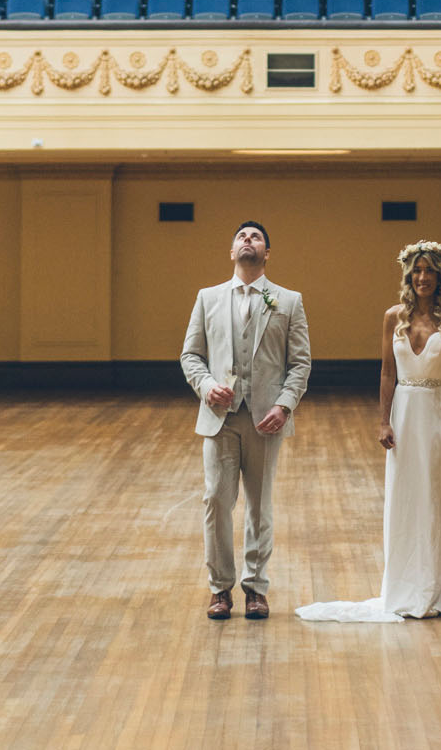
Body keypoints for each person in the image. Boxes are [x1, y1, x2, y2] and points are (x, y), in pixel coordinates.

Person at [296, 239, 441, 624]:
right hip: (405, 411)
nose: (422, 277)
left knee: (436, 496)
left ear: (440, 276)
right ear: (410, 275)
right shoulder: (394, 316)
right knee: (405, 497)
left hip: (438, 411)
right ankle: (406, 586)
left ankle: (438, 588)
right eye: (417, 271)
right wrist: (383, 420)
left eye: (429, 271)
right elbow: (387, 372)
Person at [180, 219, 311, 621]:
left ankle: (256, 587)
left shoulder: (288, 301)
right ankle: (220, 589)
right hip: (220, 418)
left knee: (259, 507)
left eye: (255, 237)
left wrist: (284, 405)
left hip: (264, 421)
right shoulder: (208, 298)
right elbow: (190, 355)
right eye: (241, 236)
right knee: (216, 501)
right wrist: (205, 387)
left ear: (267, 253)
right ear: (232, 251)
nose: (247, 241)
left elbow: (301, 362)